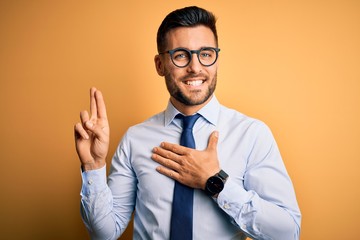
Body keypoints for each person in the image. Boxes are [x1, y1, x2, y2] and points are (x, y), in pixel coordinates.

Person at [74, 6, 301, 240]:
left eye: (206, 53)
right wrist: (93, 165)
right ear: (160, 65)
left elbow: (287, 232)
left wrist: (216, 183)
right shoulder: (135, 139)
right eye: (181, 55)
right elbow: (105, 233)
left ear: (217, 59)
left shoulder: (251, 134)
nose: (195, 67)